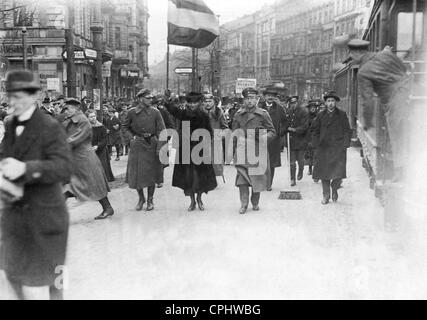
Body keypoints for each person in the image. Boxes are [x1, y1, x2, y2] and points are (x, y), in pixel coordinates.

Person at [0, 70, 73, 300]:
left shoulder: (49, 126)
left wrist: (25, 169)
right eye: (11, 97)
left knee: (55, 278)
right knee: (12, 271)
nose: (14, 102)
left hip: (47, 215)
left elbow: (64, 168)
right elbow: (5, 155)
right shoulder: (10, 124)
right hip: (16, 215)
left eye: (20, 97)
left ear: (34, 96)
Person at [347, 39, 409, 181]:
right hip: (409, 88)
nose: (351, 58)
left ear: (357, 52)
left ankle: (401, 173)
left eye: (351, 54)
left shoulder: (363, 72)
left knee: (396, 134)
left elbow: (367, 101)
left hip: (395, 99)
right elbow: (403, 68)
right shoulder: (386, 53)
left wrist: (367, 122)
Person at [61, 98, 114, 220]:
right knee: (72, 185)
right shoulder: (70, 120)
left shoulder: (83, 121)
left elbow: (76, 138)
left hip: (85, 158)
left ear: (76, 108)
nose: (65, 111)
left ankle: (107, 208)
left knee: (91, 184)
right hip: (77, 158)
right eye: (65, 109)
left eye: (67, 108)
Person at [164, 91, 218, 211]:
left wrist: (204, 141)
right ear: (187, 103)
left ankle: (199, 199)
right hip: (185, 149)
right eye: (190, 103)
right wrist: (168, 101)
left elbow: (209, 131)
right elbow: (172, 110)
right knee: (188, 176)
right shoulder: (183, 114)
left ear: (199, 103)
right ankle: (192, 201)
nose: (192, 105)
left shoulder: (203, 115)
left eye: (195, 103)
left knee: (200, 176)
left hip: (200, 149)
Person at [232, 88, 276, 214]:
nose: (249, 101)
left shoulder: (263, 114)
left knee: (257, 178)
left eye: (252, 98)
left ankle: (255, 201)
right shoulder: (238, 114)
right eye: (247, 98)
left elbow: (272, 132)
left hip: (258, 149)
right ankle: (244, 204)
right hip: (242, 150)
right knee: (242, 180)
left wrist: (263, 138)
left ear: (257, 100)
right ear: (243, 100)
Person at [124, 89, 166, 212]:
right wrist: (131, 138)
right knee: (137, 174)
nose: (150, 100)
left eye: (151, 98)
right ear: (140, 99)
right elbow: (124, 127)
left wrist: (160, 146)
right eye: (148, 98)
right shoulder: (132, 112)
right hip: (138, 144)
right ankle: (141, 198)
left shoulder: (155, 112)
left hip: (152, 143)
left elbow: (162, 130)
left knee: (151, 173)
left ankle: (150, 200)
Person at [312, 91, 352, 205]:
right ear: (325, 103)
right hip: (324, 148)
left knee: (338, 174)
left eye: (332, 101)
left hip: (338, 148)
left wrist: (345, 144)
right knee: (324, 174)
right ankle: (326, 195)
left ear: (336, 102)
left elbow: (347, 131)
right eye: (328, 101)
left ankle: (334, 189)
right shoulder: (320, 115)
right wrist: (315, 143)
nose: (330, 103)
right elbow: (315, 130)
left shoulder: (342, 115)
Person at [259, 87, 288, 191]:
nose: (270, 97)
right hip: (260, 138)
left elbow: (285, 122)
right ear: (264, 96)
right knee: (260, 160)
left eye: (272, 95)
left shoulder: (279, 108)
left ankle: (269, 183)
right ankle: (261, 181)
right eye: (268, 95)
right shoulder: (259, 107)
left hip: (274, 139)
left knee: (272, 162)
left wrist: (281, 133)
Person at [284, 96, 309, 186]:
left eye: (295, 103)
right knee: (291, 162)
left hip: (301, 140)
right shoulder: (288, 112)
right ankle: (292, 179)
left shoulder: (304, 112)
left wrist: (294, 129)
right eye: (291, 103)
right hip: (290, 140)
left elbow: (305, 126)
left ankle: (301, 170)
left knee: (300, 160)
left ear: (297, 103)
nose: (293, 105)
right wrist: (285, 129)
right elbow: (285, 123)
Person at [203, 93, 228, 179]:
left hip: (215, 140)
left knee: (215, 161)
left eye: (210, 101)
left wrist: (220, 135)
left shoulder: (219, 112)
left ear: (214, 102)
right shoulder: (199, 112)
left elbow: (225, 127)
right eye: (205, 101)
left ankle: (213, 177)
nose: (208, 103)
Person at [87, 110, 115, 182]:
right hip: (89, 149)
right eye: (91, 117)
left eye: (94, 116)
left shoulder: (101, 126)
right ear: (87, 118)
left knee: (102, 166)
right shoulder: (86, 127)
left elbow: (104, 139)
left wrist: (98, 146)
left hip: (101, 150)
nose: (93, 118)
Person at [304, 100, 320, 177]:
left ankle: (316, 170)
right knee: (309, 154)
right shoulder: (306, 116)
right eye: (311, 107)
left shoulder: (319, 116)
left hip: (316, 137)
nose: (313, 109)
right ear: (309, 108)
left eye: (314, 107)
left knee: (316, 154)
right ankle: (310, 168)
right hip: (308, 137)